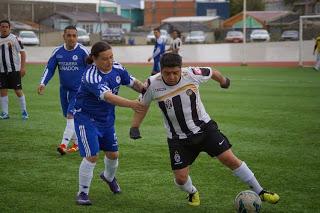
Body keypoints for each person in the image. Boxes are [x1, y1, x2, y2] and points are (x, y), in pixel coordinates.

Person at [130, 53, 280, 207]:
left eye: (176, 72)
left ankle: (261, 191)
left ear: (181, 69)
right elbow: (142, 105)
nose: (172, 76)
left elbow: (212, 72)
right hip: (178, 139)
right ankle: (192, 192)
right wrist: (135, 126)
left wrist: (223, 81)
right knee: (181, 179)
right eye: (167, 73)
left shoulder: (191, 74)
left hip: (205, 129)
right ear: (160, 71)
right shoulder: (151, 84)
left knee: (229, 159)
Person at [74, 41, 145, 205]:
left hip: (106, 119)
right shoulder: (90, 76)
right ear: (94, 59)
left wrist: (147, 90)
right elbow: (108, 97)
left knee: (113, 155)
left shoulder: (117, 68)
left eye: (111, 57)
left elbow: (133, 83)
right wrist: (133, 104)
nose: (110, 61)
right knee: (92, 155)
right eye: (105, 59)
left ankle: (108, 177)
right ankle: (82, 193)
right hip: (86, 119)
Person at [37, 26, 89, 155]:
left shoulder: (83, 51)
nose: (72, 38)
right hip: (64, 90)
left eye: (74, 36)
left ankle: (63, 144)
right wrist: (43, 83)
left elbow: (91, 69)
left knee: (71, 115)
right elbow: (49, 68)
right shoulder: (57, 52)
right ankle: (77, 143)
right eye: (69, 35)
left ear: (77, 37)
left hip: (79, 91)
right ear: (64, 36)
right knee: (68, 117)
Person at [0, 19, 28, 120]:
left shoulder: (14, 39)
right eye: (2, 27)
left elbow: (23, 53)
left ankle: (24, 111)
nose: (4, 29)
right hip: (2, 71)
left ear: (9, 28)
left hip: (14, 70)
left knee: (18, 90)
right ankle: (5, 113)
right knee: (3, 91)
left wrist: (23, 67)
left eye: (6, 27)